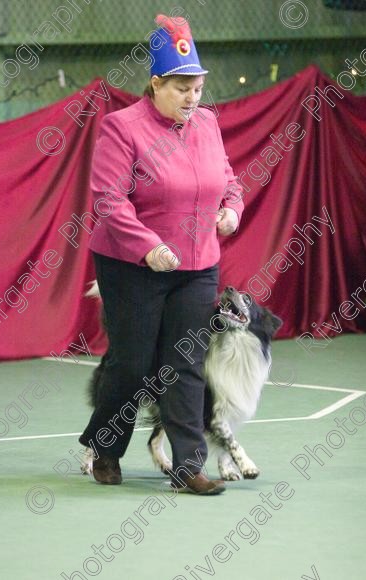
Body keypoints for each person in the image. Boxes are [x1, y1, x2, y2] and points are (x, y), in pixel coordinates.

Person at [79, 14, 244, 495]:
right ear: (155, 84)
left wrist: (232, 208)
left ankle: (187, 465)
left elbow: (228, 180)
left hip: (197, 266)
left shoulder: (208, 124)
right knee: (132, 363)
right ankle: (106, 448)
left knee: (186, 362)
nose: (193, 98)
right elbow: (108, 199)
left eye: (197, 87)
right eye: (182, 88)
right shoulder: (121, 127)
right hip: (131, 265)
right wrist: (148, 246)